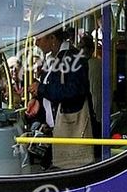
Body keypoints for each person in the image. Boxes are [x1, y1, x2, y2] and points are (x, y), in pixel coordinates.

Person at [29, 19, 95, 170]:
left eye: (39, 38)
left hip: (70, 127)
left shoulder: (73, 58)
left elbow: (74, 91)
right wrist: (37, 99)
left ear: (52, 38)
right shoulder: (53, 59)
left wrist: (41, 89)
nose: (36, 44)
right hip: (55, 128)